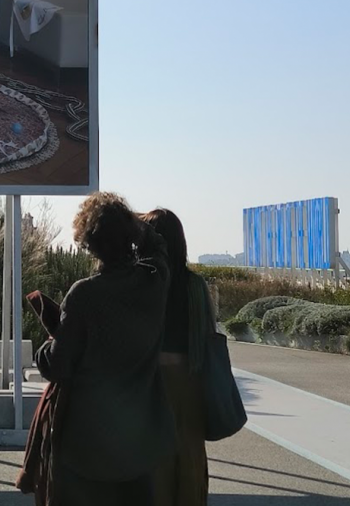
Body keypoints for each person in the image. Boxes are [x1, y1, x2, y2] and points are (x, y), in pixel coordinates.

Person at [34, 192, 175, 505]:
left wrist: (46, 346)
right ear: (130, 238)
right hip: (139, 444)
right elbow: (160, 247)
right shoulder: (155, 282)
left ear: (88, 244)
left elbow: (57, 366)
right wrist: (133, 224)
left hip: (87, 447)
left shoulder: (83, 295)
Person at [142, 208, 213, 505]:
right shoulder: (195, 285)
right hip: (189, 382)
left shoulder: (142, 282)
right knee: (189, 462)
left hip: (148, 384)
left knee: (152, 466)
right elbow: (208, 336)